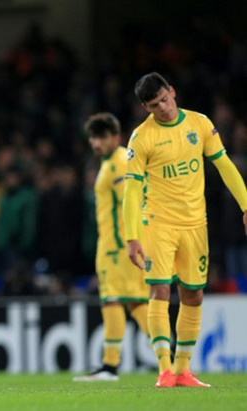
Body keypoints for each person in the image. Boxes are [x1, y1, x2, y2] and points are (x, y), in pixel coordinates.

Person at [123, 73, 247, 388]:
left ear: (173, 92)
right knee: (160, 289)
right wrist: (132, 237)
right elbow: (132, 191)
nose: (163, 108)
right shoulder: (141, 138)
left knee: (193, 294)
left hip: (195, 224)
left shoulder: (200, 124)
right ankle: (164, 370)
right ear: (146, 108)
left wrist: (246, 205)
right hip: (157, 224)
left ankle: (183, 370)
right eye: (154, 105)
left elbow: (224, 165)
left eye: (165, 99)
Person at [73, 113, 149, 382]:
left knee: (114, 300)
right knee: (136, 302)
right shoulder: (111, 163)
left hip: (118, 248)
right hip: (115, 245)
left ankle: (110, 366)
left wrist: (126, 242)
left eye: (102, 137)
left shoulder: (119, 163)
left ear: (116, 137)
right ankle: (169, 354)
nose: (96, 143)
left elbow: (130, 204)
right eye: (93, 138)